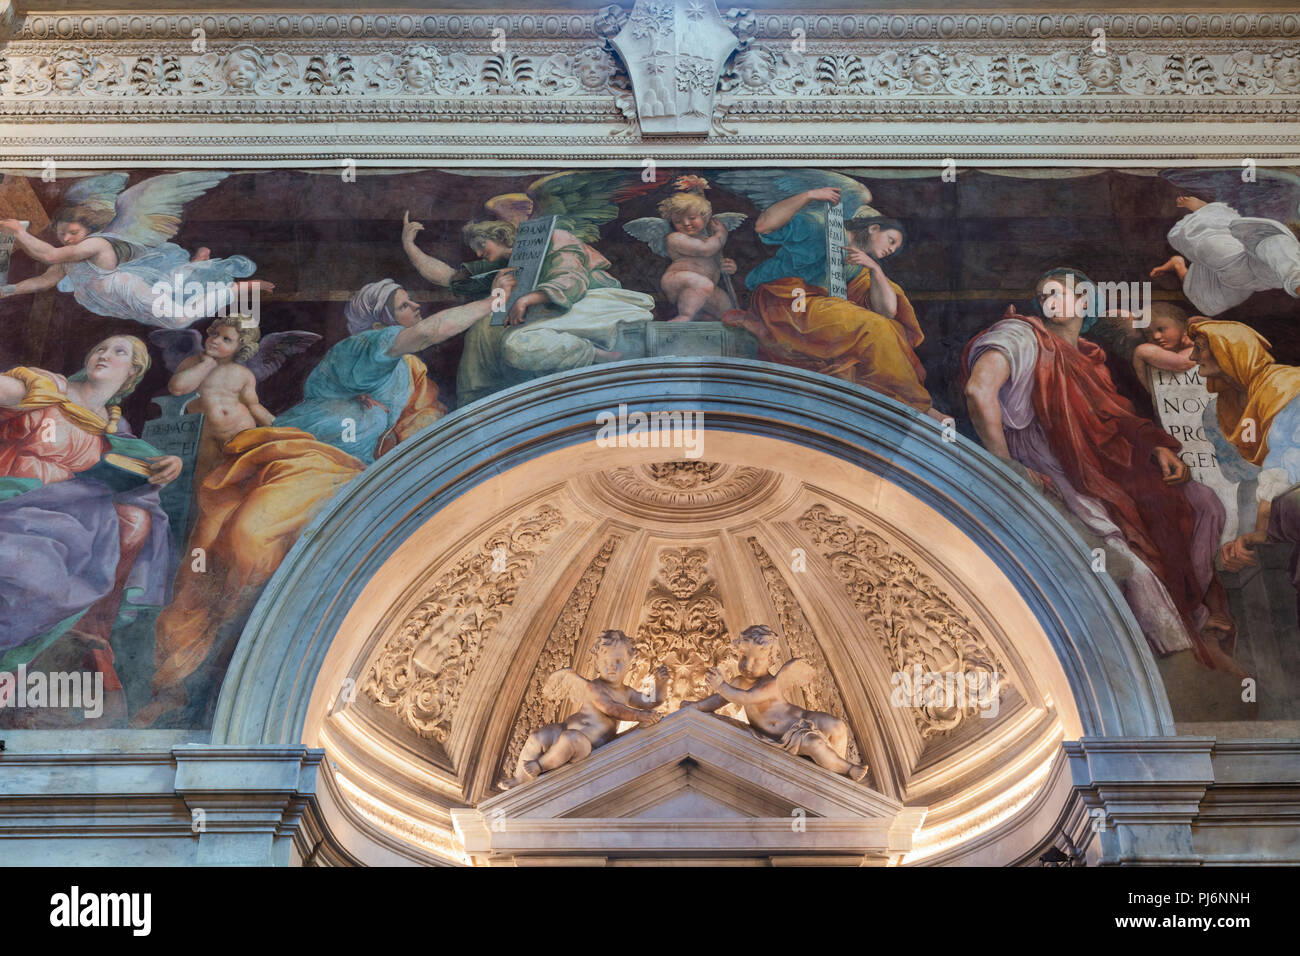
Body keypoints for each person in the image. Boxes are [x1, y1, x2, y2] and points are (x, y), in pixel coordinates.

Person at [963, 268, 1239, 673]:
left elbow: (1114, 417)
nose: (1050, 301)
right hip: (1057, 466)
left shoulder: (1090, 359)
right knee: (1130, 557)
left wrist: (1158, 445)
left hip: (1104, 463)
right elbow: (978, 390)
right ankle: (1173, 649)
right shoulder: (1023, 335)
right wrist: (1006, 468)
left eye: (1060, 292)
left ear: (1086, 302)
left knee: (1203, 503)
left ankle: (1194, 611)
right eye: (1044, 295)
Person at [0, 335, 181, 724]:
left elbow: (138, 467)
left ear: (133, 371)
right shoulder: (46, 388)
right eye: (100, 347)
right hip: (11, 502)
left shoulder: (114, 429)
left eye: (119, 352)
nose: (104, 354)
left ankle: (16, 660)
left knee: (56, 571)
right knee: (26, 567)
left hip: (64, 521)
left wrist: (169, 466)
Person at [722, 186, 933, 415]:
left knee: (888, 328)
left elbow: (888, 311)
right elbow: (764, 226)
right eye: (891, 240)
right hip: (784, 301)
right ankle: (917, 406)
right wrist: (807, 195)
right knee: (873, 327)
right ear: (873, 228)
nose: (890, 249)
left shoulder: (858, 263)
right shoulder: (819, 225)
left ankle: (893, 402)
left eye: (895, 248)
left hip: (816, 310)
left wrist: (874, 269)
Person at [1188, 322, 1300, 617]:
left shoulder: (1284, 385)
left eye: (1200, 348)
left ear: (1229, 352)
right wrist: (1243, 539)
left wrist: (1258, 533)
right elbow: (1242, 475)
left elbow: (1290, 463)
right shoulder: (1221, 408)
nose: (1192, 358)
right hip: (1277, 495)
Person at [682, 624, 869, 781]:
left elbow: (746, 698)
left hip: (797, 720)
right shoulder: (738, 683)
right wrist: (693, 707)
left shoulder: (769, 684)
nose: (748, 665)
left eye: (757, 660)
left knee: (837, 726)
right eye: (744, 658)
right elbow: (716, 701)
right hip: (788, 735)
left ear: (771, 659)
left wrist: (721, 685)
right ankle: (847, 769)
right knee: (816, 746)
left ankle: (835, 778)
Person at [499, 630, 666, 790]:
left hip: (586, 744)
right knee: (537, 736)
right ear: (596, 663)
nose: (612, 667)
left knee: (570, 739)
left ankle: (539, 765)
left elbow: (652, 701)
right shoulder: (595, 687)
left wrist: (660, 683)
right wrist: (639, 715)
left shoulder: (628, 693)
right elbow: (610, 708)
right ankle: (520, 778)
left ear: (630, 662)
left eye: (619, 661)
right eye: (606, 662)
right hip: (565, 728)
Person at [1150, 194, 1300, 316]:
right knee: (1201, 239)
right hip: (1232, 258)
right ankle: (1204, 209)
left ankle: (1178, 264)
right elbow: (1293, 273)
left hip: (1244, 281)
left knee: (1209, 305)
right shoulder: (1280, 242)